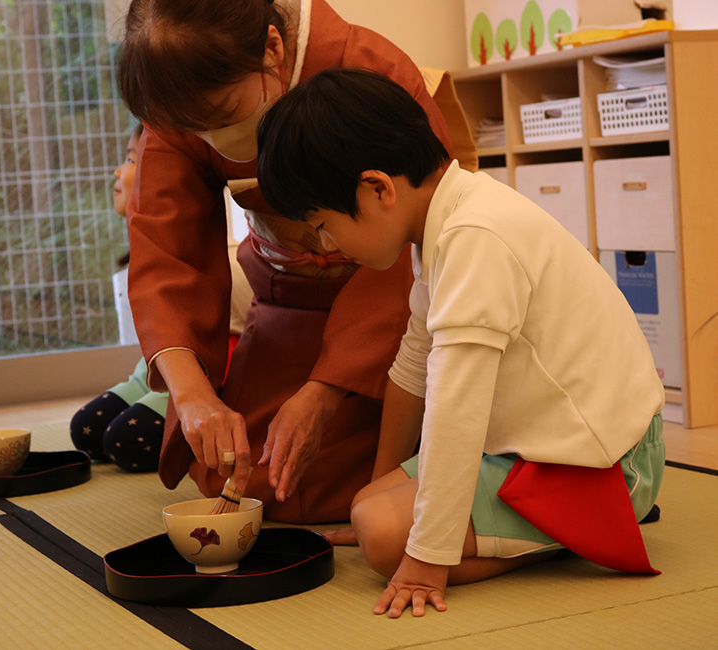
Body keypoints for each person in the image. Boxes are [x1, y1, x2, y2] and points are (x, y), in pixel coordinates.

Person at [256, 68, 665, 617]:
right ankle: (521, 530)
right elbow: (413, 365)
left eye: (324, 224)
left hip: (606, 465)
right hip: (537, 447)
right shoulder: (444, 224)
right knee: (367, 507)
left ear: (378, 189)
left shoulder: (475, 236)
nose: (327, 246)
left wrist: (427, 555)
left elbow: (456, 409)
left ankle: (588, 533)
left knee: (384, 538)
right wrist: (383, 487)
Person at [117, 0, 476, 522]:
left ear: (272, 47)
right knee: (242, 472)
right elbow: (166, 252)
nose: (212, 142)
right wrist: (194, 395)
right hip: (287, 305)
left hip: (389, 316)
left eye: (221, 119)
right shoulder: (178, 92)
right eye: (193, 130)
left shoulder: (367, 66)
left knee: (362, 486)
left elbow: (414, 246)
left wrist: (325, 393)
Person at [70, 123, 251, 471]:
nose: (117, 170)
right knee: (85, 430)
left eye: (131, 159)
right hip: (151, 373)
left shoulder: (226, 256)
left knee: (123, 442)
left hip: (202, 373)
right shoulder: (144, 249)